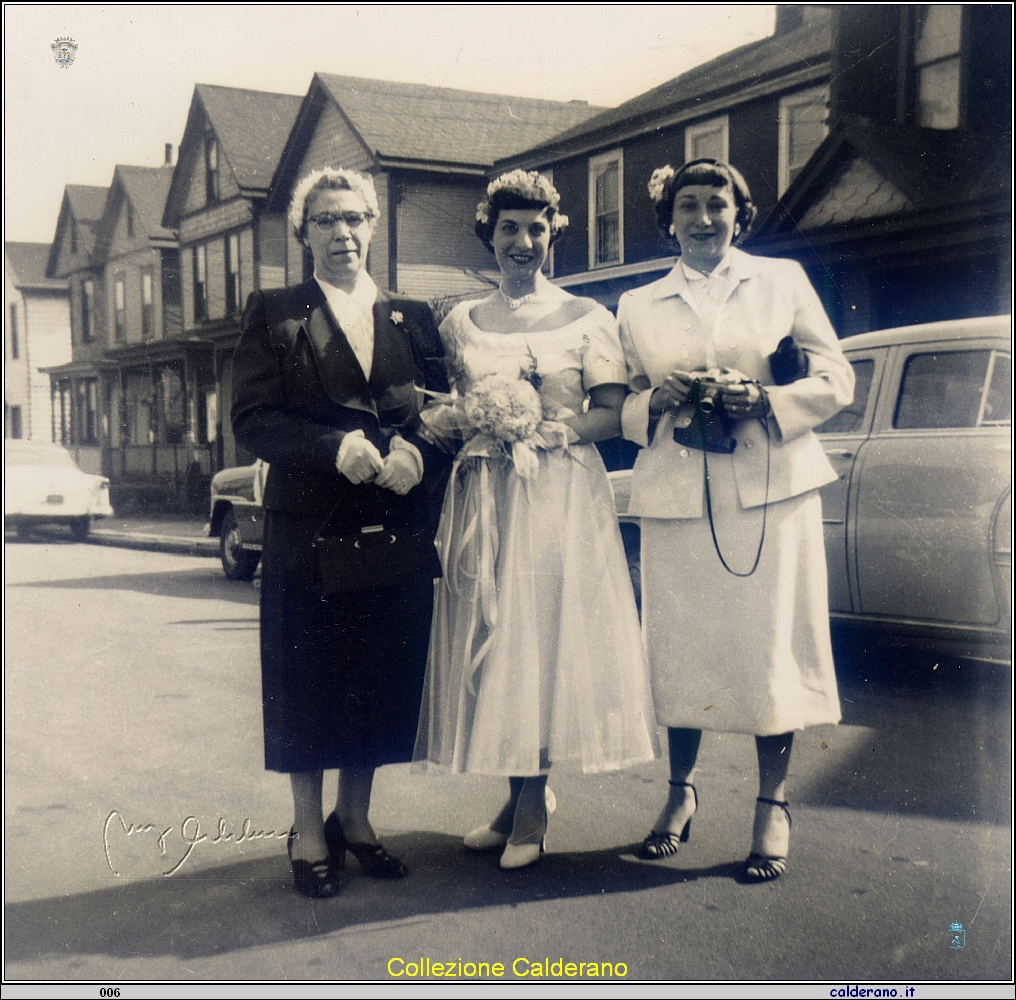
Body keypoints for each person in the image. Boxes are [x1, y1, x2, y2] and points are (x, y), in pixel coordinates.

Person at [617, 159, 854, 881]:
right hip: (679, 495)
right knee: (681, 649)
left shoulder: (781, 280)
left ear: (739, 214)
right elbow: (621, 398)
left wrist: (768, 401)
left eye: (717, 204)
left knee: (767, 651)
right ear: (669, 220)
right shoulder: (637, 303)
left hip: (770, 493)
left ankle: (771, 804)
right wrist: (652, 402)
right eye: (687, 206)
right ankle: (679, 795)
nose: (702, 218)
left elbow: (835, 377)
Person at [414, 170, 656, 869]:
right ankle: (520, 795)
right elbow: (451, 406)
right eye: (510, 229)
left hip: (558, 492)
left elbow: (611, 409)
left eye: (537, 230)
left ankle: (530, 806)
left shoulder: (589, 318)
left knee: (542, 636)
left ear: (553, 236)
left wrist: (548, 429)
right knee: (499, 633)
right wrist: (476, 421)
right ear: (489, 234)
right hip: (487, 491)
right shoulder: (462, 321)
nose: (523, 242)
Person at [231, 167, 448, 897]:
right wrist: (333, 448)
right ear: (304, 234)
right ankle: (308, 830)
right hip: (309, 529)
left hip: (392, 524)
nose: (342, 232)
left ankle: (356, 823)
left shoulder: (412, 317)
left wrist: (419, 451)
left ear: (373, 226)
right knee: (309, 681)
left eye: (354, 217)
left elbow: (444, 410)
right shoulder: (275, 312)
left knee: (378, 679)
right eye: (325, 220)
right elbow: (253, 419)